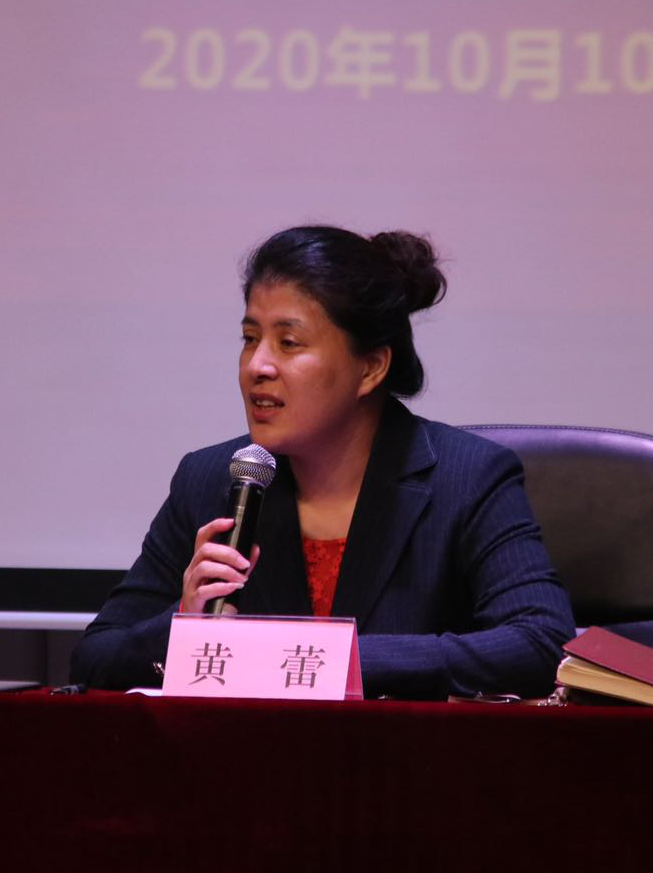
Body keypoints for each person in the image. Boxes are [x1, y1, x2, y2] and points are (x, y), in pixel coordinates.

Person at [69, 226, 574, 699]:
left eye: (288, 343)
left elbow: (540, 642)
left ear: (370, 367)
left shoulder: (468, 478)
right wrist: (184, 623)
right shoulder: (211, 479)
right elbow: (95, 658)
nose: (258, 366)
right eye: (250, 339)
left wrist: (325, 661)